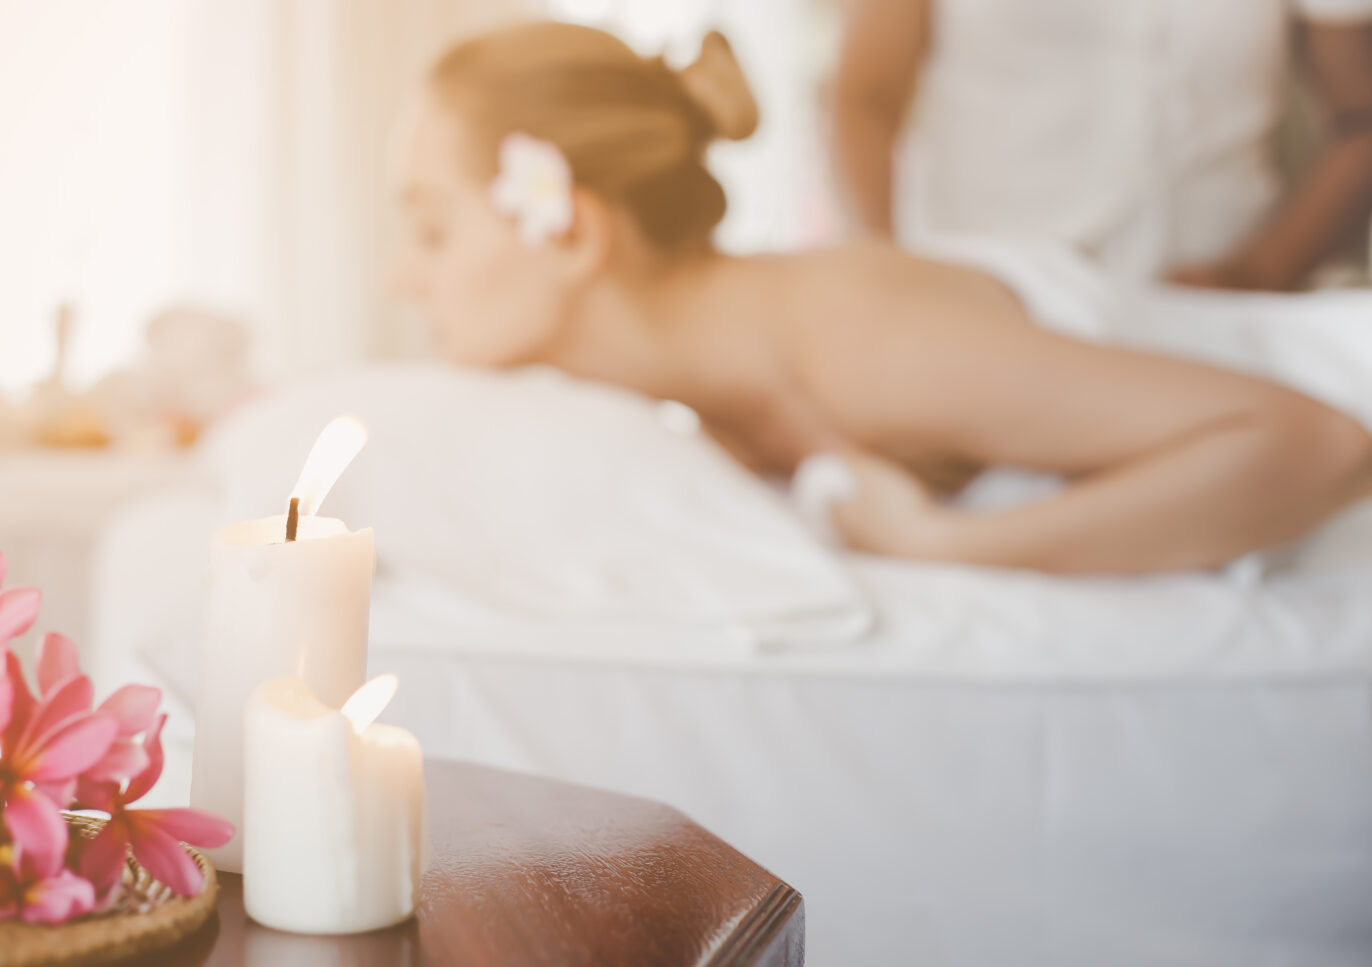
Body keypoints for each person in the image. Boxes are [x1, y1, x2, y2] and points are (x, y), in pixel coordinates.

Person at [389, 21, 1372, 574]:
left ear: (575, 229)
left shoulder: (849, 335)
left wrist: (951, 544)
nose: (406, 277)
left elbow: (1314, 447)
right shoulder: (716, 387)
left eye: (432, 229)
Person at [831, 0, 1372, 290]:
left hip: (1215, 306)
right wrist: (885, 274)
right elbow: (864, 98)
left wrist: (1256, 272)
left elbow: (1360, 125)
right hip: (982, 295)